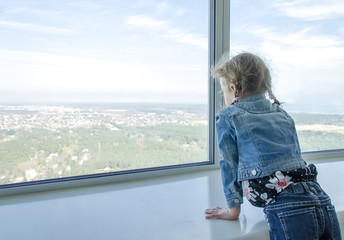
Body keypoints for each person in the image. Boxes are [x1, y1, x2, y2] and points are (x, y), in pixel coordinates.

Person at [205, 52, 342, 239]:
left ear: (233, 88)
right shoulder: (282, 114)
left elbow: (229, 165)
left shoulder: (229, 116)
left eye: (225, 92)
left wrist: (233, 209)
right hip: (323, 203)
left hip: (289, 210)